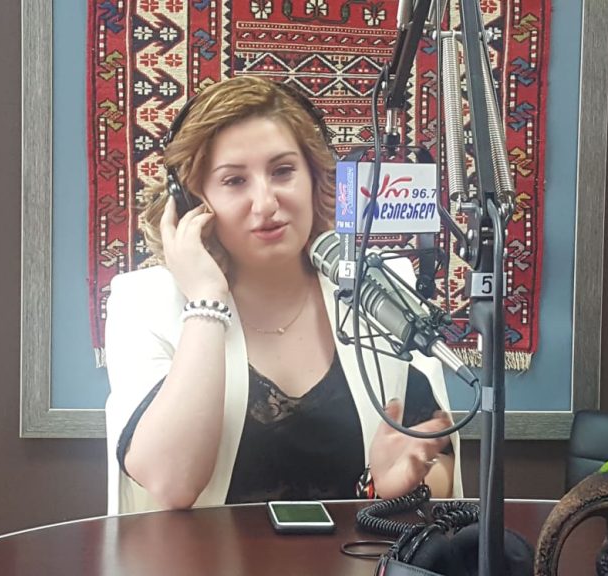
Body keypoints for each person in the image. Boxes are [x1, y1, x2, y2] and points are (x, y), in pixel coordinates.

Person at [103, 76, 463, 514]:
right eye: (234, 180)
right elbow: (171, 483)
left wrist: (395, 485)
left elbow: (439, 462)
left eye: (283, 171)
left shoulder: (376, 288)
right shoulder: (144, 304)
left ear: (315, 178)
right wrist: (205, 301)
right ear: (193, 201)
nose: (266, 203)